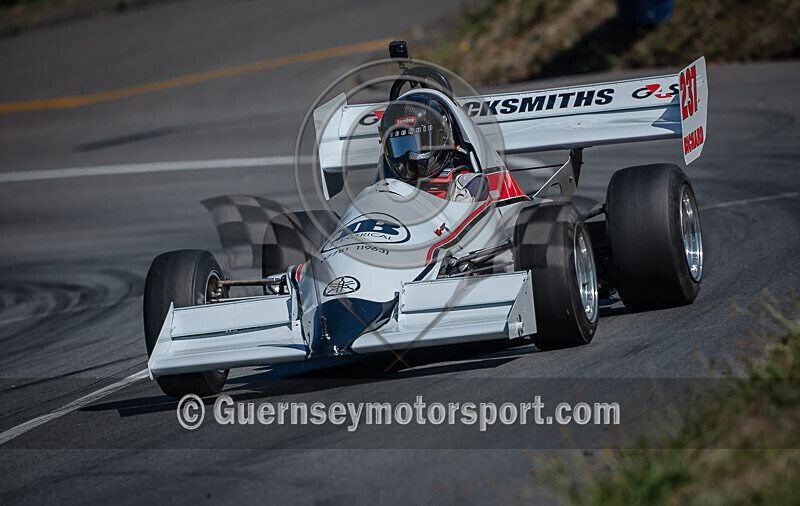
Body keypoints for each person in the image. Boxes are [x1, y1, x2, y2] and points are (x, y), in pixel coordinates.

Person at [378, 94, 488, 202]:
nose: (409, 156)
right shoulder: (387, 189)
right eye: (401, 145)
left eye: (420, 142)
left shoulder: (465, 186)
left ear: (442, 137)